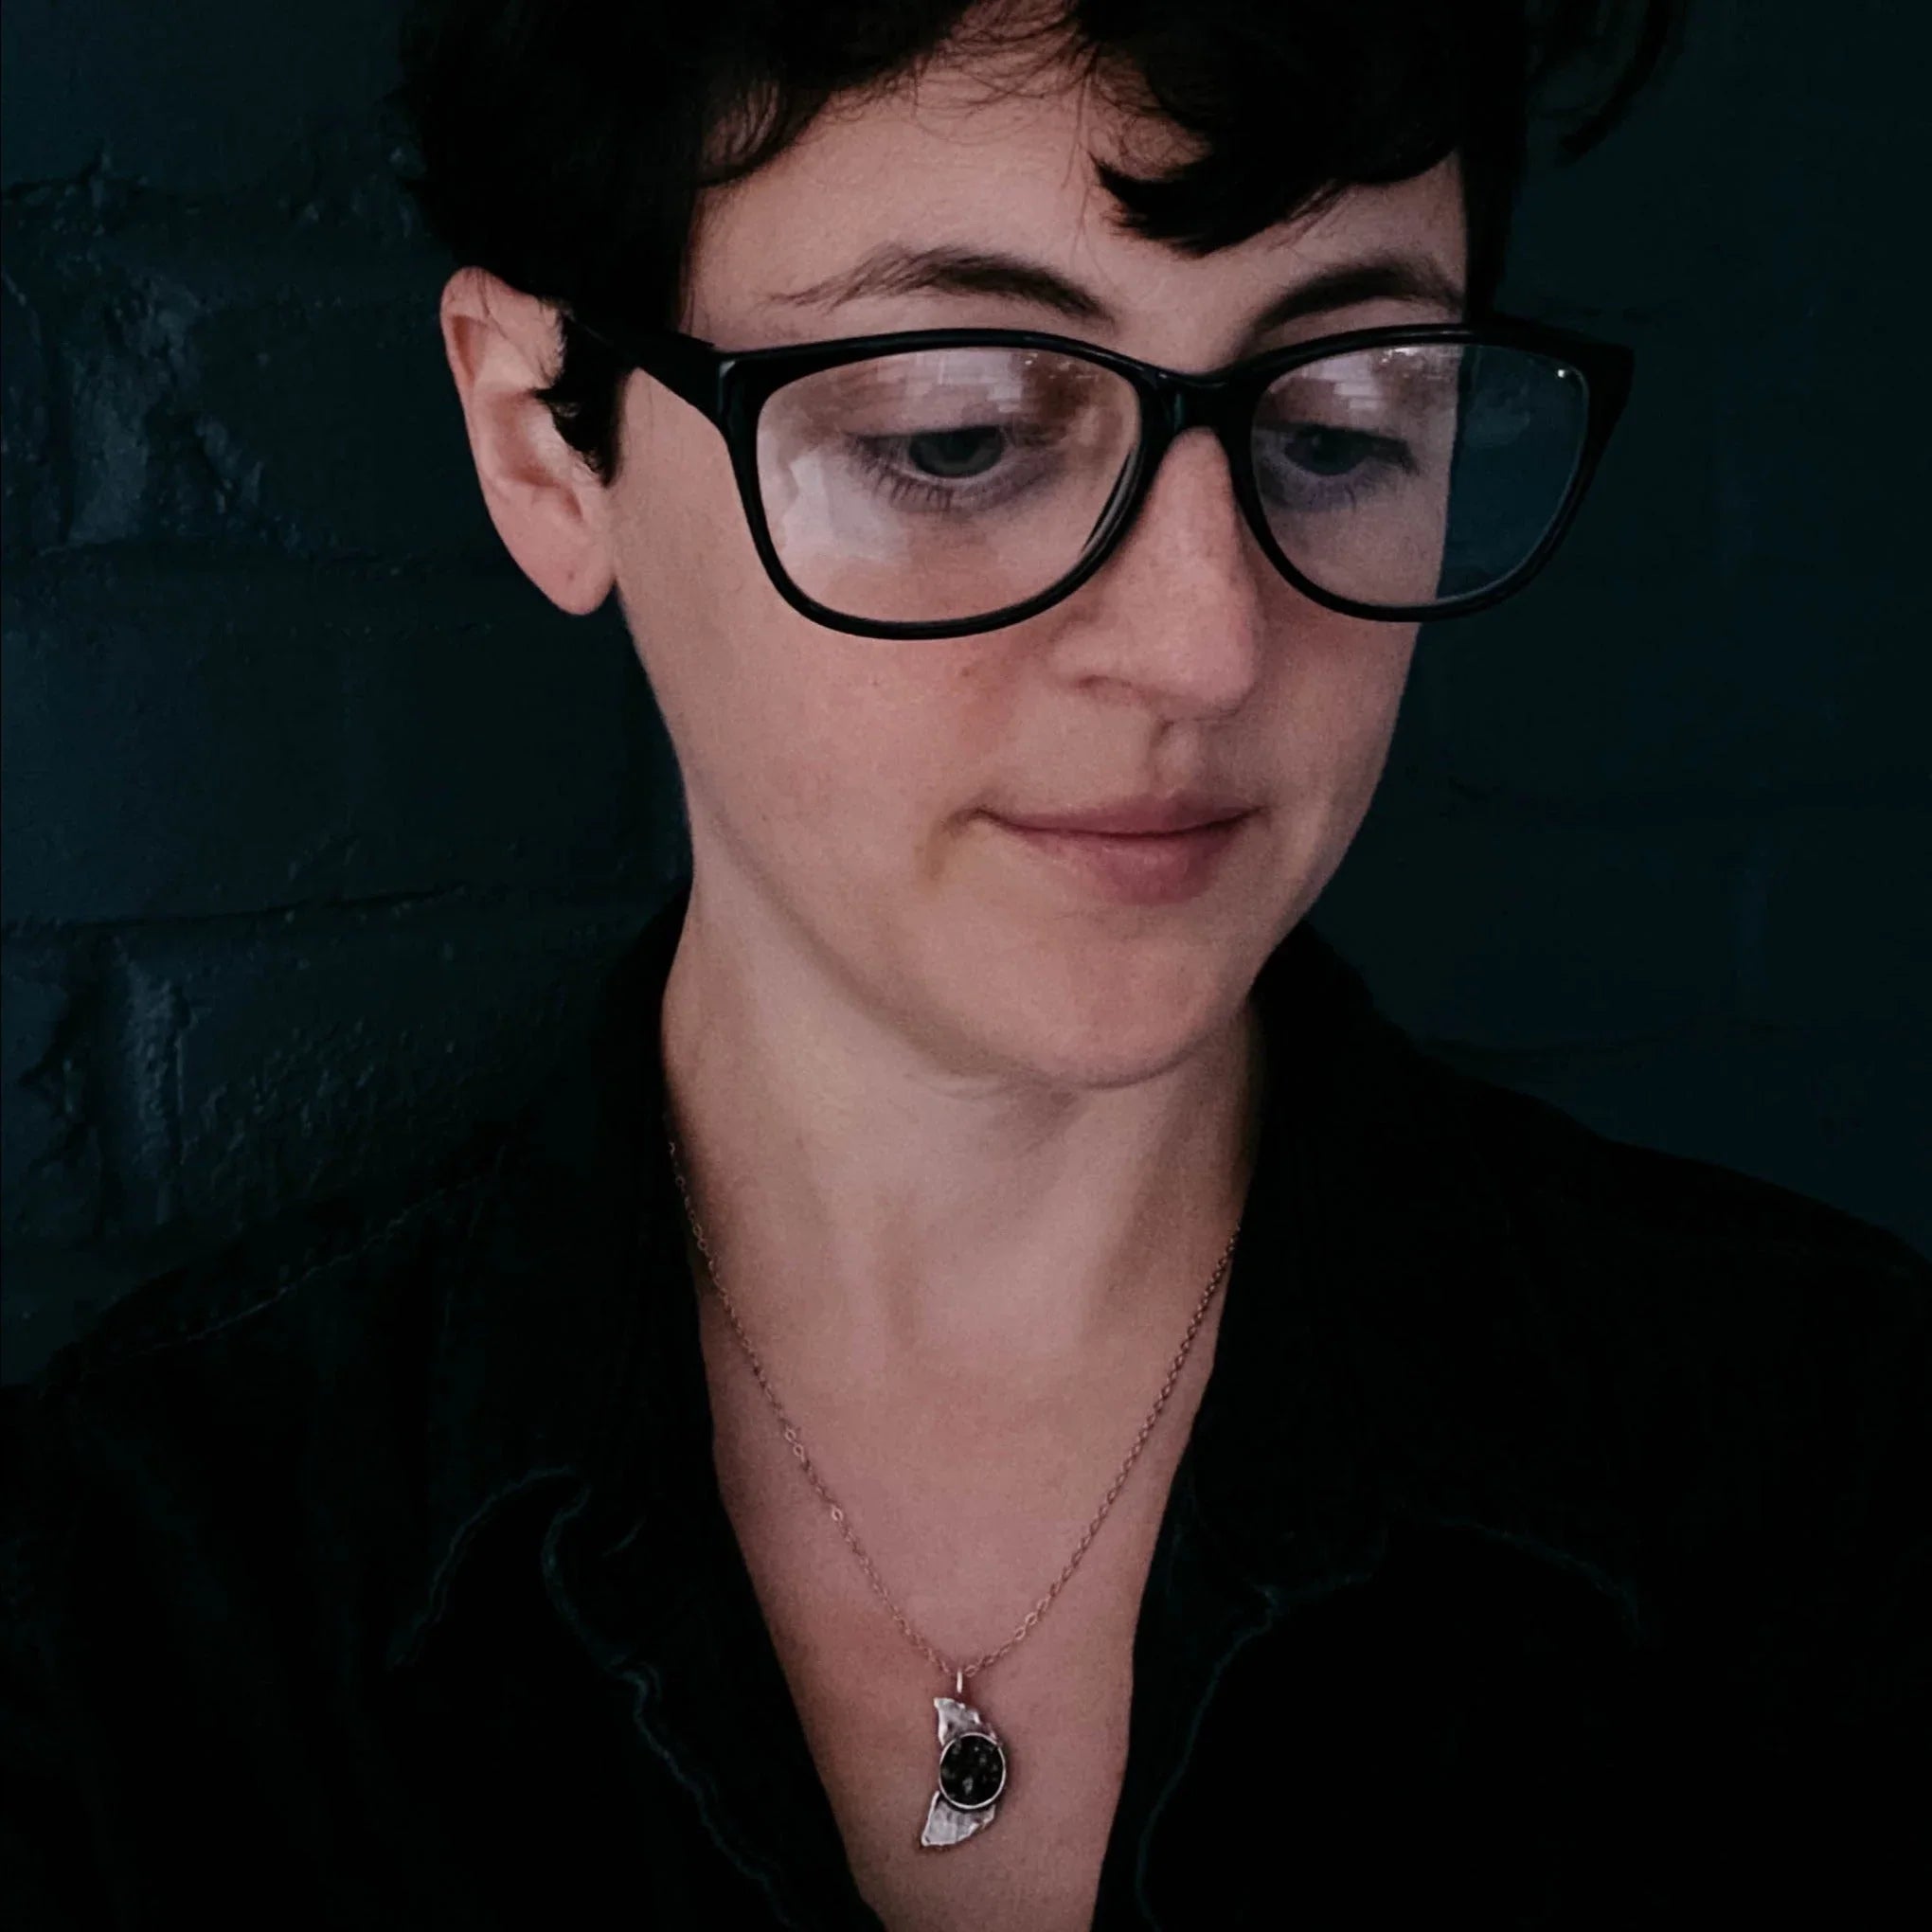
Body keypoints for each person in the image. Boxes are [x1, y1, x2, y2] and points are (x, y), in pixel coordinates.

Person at [4, 2, 1924, 1927]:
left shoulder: (1829, 1470)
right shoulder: (146, 1601)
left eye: (1345, 425)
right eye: (957, 436)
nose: (1206, 647)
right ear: (546, 448)